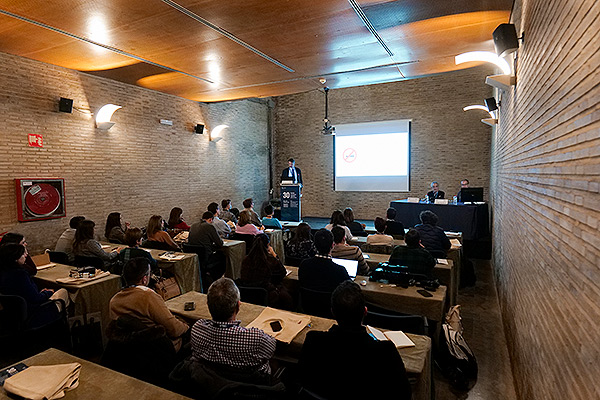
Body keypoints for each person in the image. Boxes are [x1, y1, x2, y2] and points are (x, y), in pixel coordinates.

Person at [298, 281, 411, 399]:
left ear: (332, 312)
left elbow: (302, 379)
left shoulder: (314, 340)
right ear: (365, 312)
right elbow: (404, 394)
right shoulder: (386, 351)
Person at [190, 278, 276, 375]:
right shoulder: (257, 338)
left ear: (208, 305)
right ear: (238, 306)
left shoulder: (197, 329)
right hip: (249, 386)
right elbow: (272, 348)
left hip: (209, 384)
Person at [109, 257, 189, 352]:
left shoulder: (114, 301)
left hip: (128, 350)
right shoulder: (148, 297)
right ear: (144, 279)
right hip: (158, 348)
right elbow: (174, 329)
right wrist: (187, 325)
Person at [0, 243, 70, 320]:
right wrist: (49, 292)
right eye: (22, 254)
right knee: (64, 292)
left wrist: (41, 293)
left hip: (14, 315)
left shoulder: (4, 273)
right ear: (15, 258)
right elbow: (36, 298)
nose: (26, 256)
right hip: (34, 313)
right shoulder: (20, 275)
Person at [240, 234, 292, 310]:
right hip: (268, 295)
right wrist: (274, 255)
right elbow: (282, 273)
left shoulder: (246, 260)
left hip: (247, 295)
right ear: (268, 245)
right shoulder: (271, 261)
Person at [189, 211, 226, 280]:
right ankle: (217, 279)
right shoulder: (209, 226)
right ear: (210, 219)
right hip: (206, 257)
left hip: (194, 257)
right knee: (223, 255)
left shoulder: (193, 225)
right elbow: (220, 243)